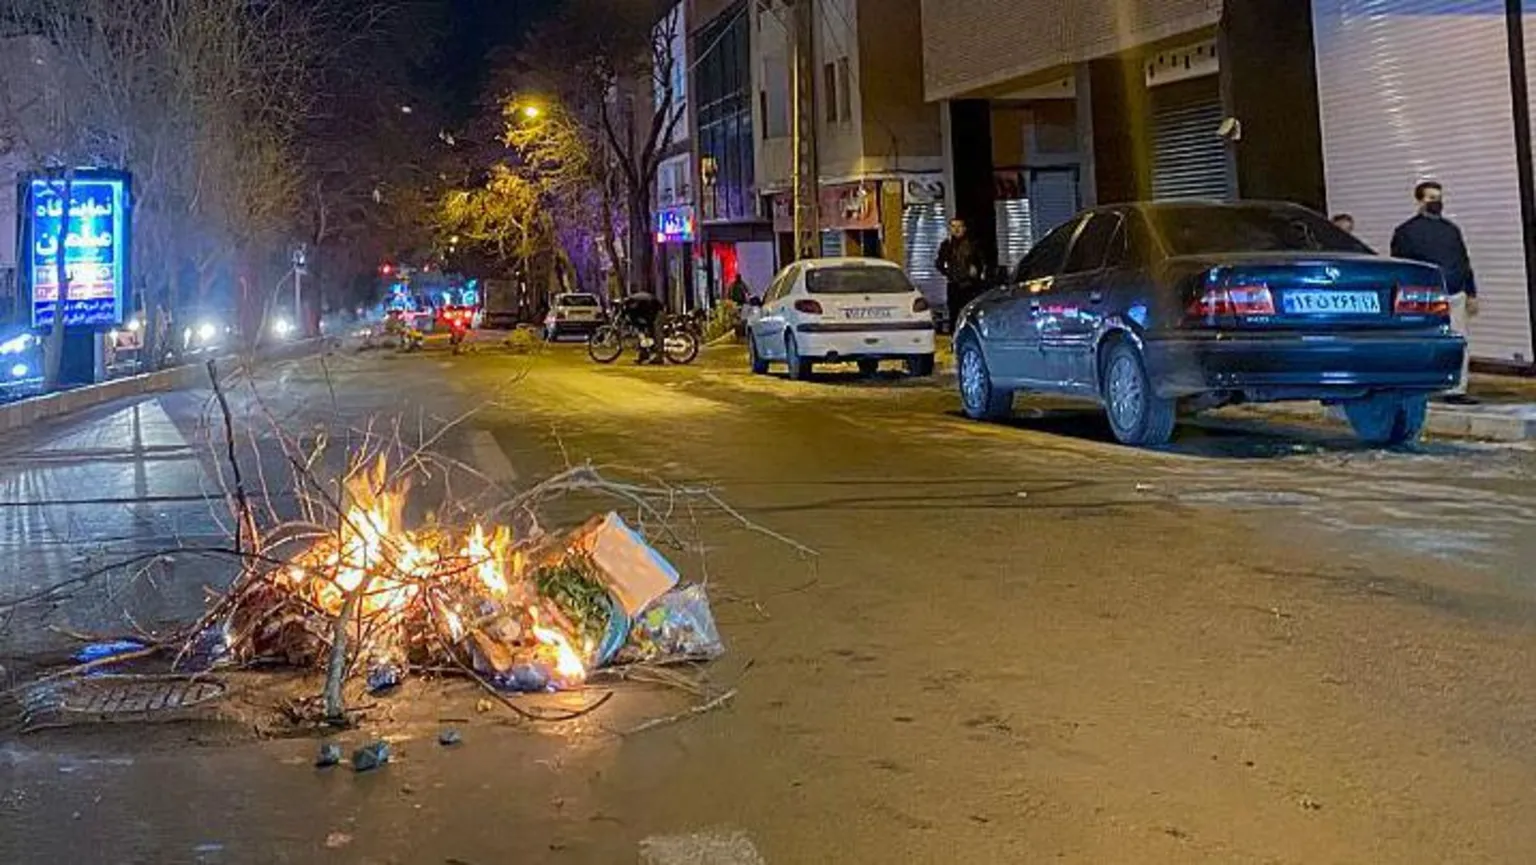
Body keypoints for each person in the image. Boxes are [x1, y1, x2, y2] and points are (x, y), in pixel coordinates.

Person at [1390, 181, 1478, 404]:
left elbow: (1463, 261)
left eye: (1438, 198)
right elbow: (1402, 266)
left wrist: (1471, 292)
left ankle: (1455, 388)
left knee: (1458, 340)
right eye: (1431, 198)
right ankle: (1425, 386)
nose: (1436, 202)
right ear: (1419, 200)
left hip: (1452, 291)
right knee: (1425, 341)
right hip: (1425, 293)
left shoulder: (1450, 229)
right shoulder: (1406, 232)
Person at [936, 218, 985, 333]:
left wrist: (975, 271)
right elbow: (939, 263)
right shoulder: (946, 245)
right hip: (953, 283)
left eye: (959, 226)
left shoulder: (972, 245)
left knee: (969, 311)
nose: (956, 229)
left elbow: (981, 262)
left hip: (969, 285)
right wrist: (948, 273)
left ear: (964, 229)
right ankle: (954, 335)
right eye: (953, 226)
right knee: (953, 312)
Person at [620, 289, 665, 365]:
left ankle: (659, 356)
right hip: (649, 314)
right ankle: (644, 354)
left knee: (657, 333)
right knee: (642, 334)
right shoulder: (634, 303)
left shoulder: (633, 304)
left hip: (657, 312)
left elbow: (637, 319)